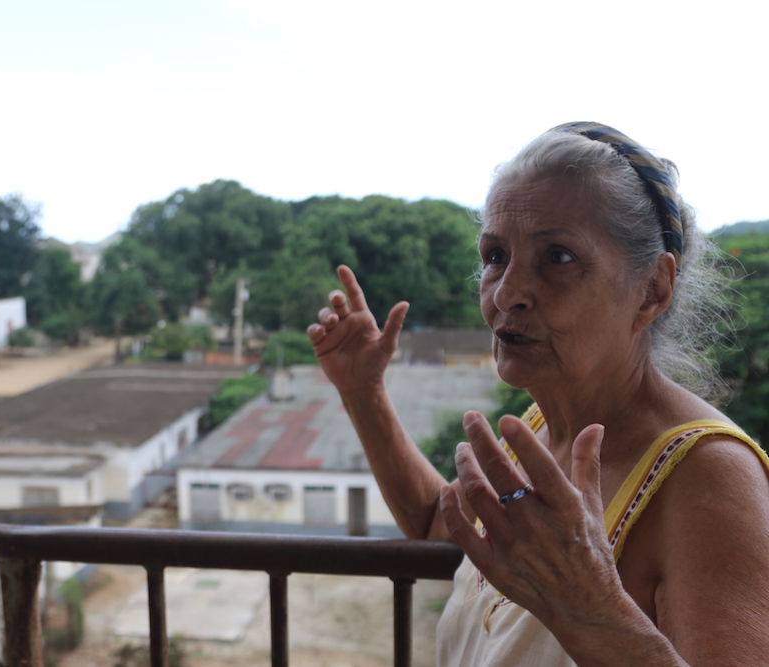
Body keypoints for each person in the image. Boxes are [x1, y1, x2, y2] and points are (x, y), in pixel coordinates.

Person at [307, 122, 769, 666]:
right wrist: (363, 392)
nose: (506, 293)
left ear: (652, 289)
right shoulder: (539, 429)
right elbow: (441, 519)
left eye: (558, 257)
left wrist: (589, 610)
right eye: (496, 255)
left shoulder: (708, 475)